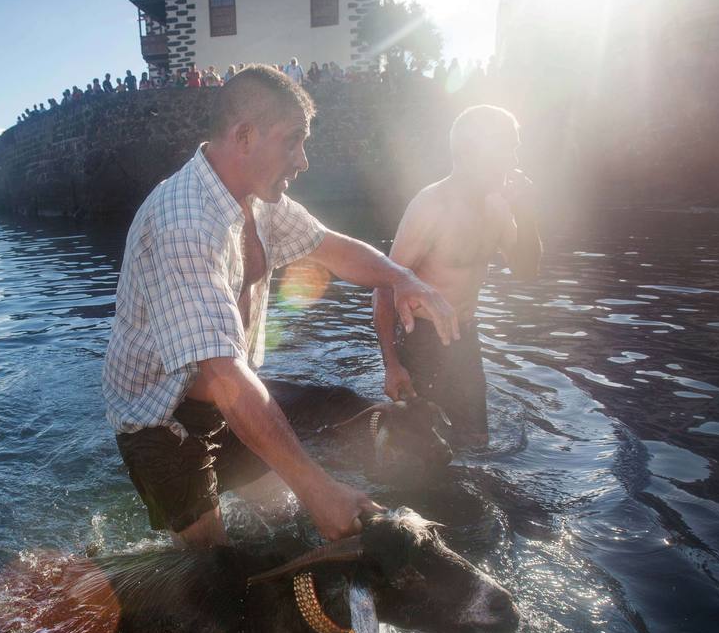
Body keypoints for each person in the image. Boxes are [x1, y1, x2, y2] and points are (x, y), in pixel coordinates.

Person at [103, 65, 459, 549]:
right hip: (162, 422)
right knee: (216, 574)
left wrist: (403, 278)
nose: (304, 160)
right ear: (244, 136)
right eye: (293, 141)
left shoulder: (259, 198)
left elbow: (330, 247)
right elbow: (226, 374)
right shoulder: (184, 224)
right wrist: (319, 488)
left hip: (225, 405)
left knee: (286, 522)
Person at [373, 106, 542, 447]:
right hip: (420, 340)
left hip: (465, 339)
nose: (514, 159)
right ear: (476, 152)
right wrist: (392, 365)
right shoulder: (431, 206)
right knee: (420, 451)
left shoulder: (499, 207)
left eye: (515, 148)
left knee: (477, 442)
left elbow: (527, 271)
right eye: (508, 148)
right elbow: (383, 285)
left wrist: (526, 214)